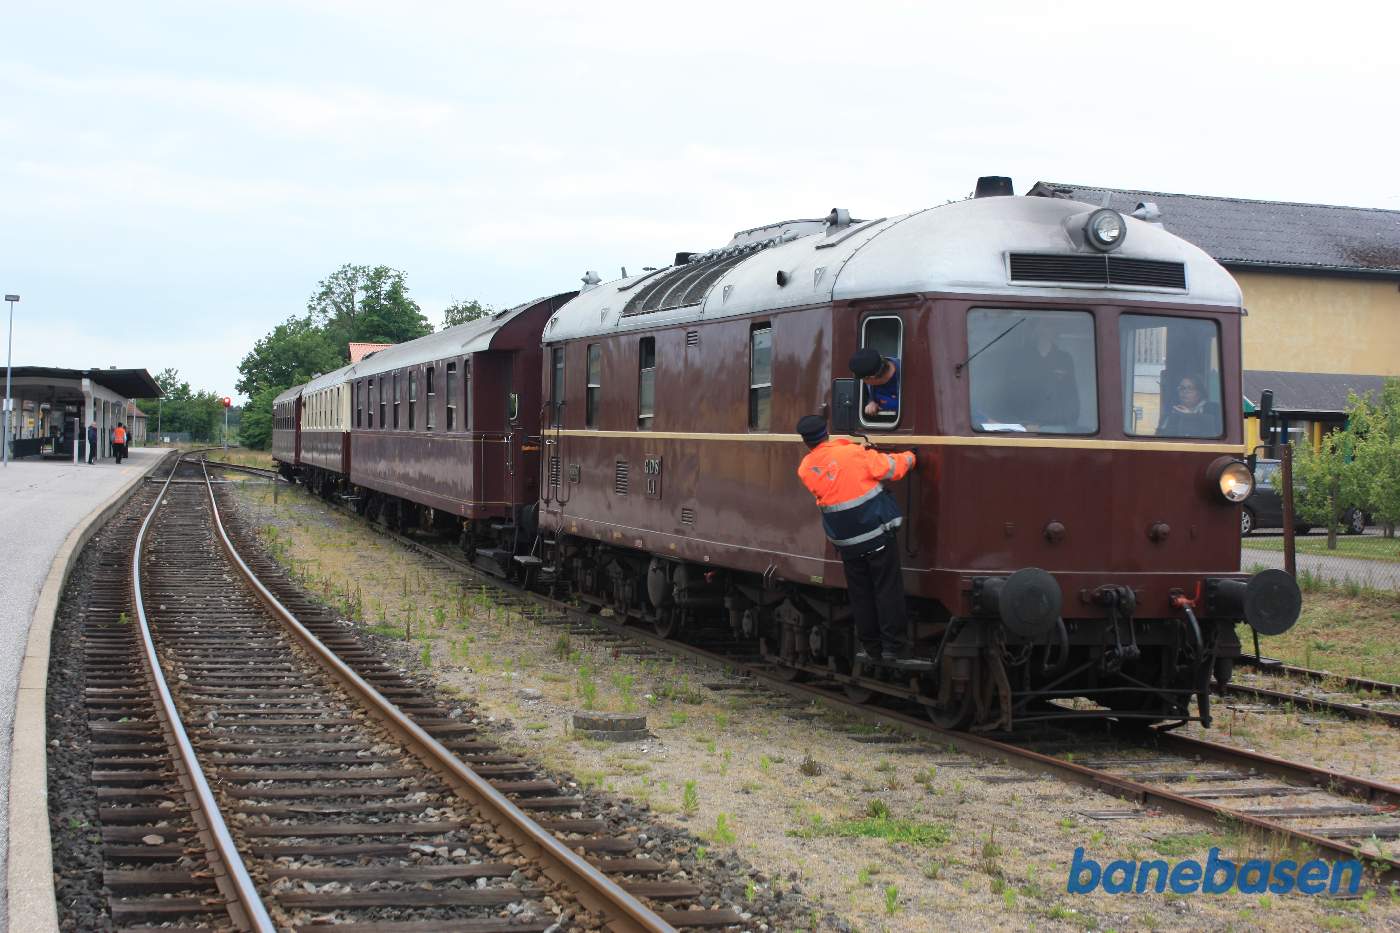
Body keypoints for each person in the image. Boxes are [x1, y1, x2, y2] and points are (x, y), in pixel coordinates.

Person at [795, 414, 929, 669]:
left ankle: (871, 647)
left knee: (861, 594)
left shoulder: (805, 468)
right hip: (876, 535)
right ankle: (894, 647)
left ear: (806, 441)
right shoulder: (853, 454)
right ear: (826, 432)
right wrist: (912, 457)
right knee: (886, 589)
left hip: (846, 542)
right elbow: (891, 468)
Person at [849, 348, 900, 419]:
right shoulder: (871, 381)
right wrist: (871, 402)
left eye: (863, 379)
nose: (863, 382)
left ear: (871, 377)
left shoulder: (907, 376)